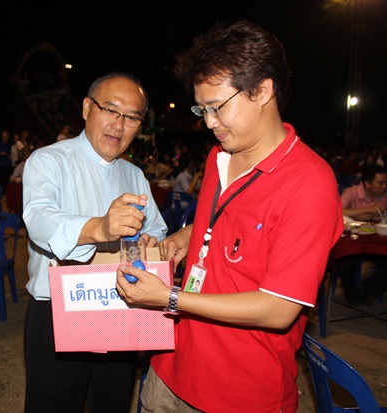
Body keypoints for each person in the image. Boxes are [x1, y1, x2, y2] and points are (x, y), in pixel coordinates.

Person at [116, 20, 343, 413]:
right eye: (201, 109)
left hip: (240, 391)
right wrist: (181, 241)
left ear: (262, 91)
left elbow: (278, 309)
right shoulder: (218, 158)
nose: (208, 123)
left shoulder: (310, 185)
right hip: (172, 368)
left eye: (217, 108)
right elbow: (217, 225)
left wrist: (169, 297)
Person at [22, 71, 168, 413]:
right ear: (87, 108)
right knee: (53, 404)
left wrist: (150, 240)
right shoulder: (49, 160)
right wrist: (99, 228)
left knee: (113, 402)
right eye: (111, 110)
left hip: (119, 304)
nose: (119, 125)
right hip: (58, 307)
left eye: (131, 117)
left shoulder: (133, 174)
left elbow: (158, 230)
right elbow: (39, 220)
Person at [337, 164, 387, 305]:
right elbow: (338, 211)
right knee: (346, 264)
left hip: (375, 241)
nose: (384, 187)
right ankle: (351, 293)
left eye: (386, 183)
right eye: (380, 183)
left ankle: (366, 290)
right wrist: (370, 210)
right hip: (352, 241)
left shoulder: (384, 196)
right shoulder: (352, 192)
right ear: (367, 183)